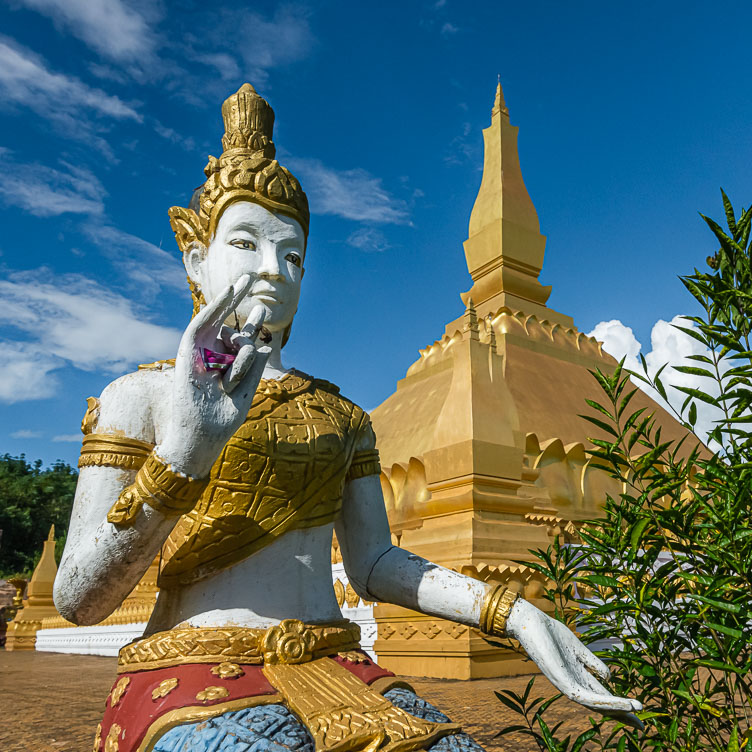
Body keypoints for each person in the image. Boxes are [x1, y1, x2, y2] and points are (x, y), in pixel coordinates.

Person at [54, 84, 640, 752]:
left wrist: (514, 612)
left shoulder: (339, 414)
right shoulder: (140, 398)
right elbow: (80, 599)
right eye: (246, 244)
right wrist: (187, 449)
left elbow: (373, 564)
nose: (272, 270)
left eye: (293, 255)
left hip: (338, 669)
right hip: (194, 679)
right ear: (196, 257)